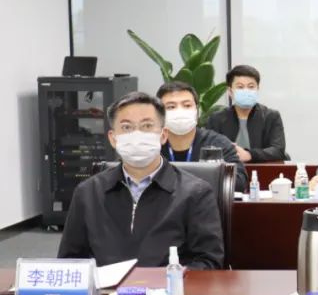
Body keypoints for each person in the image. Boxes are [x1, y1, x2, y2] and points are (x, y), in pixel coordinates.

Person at [58, 92, 224, 269]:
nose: (137, 135)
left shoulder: (196, 193)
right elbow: (69, 261)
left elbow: (210, 262)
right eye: (127, 127)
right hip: (106, 286)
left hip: (168, 285)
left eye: (147, 126)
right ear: (113, 138)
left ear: (163, 135)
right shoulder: (88, 192)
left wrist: (169, 278)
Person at [156, 81, 248, 190]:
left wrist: (218, 171)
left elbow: (240, 182)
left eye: (187, 105)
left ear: (197, 111)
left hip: (205, 200)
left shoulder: (217, 143)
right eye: (171, 107)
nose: (180, 111)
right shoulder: (152, 145)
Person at [206, 64, 288, 162]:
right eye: (240, 87)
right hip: (227, 169)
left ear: (257, 89)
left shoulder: (271, 116)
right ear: (230, 91)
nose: (246, 91)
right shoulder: (216, 119)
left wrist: (250, 155)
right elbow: (208, 150)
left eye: (251, 87)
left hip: (261, 169)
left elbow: (278, 150)